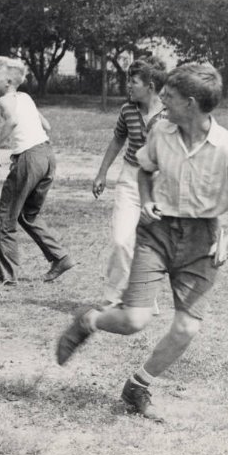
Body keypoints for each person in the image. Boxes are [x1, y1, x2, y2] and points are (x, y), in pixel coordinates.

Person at [56, 63, 228, 421]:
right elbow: (144, 170)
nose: (162, 99)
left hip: (201, 241)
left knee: (186, 327)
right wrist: (147, 198)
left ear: (191, 103)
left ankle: (138, 386)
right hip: (157, 232)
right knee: (133, 320)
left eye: (170, 95)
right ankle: (89, 320)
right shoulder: (161, 132)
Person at [0, 56, 74, 285]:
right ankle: (60, 258)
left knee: (5, 218)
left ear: (8, 82)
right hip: (47, 156)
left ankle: (7, 277)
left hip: (29, 158)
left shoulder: (4, 99)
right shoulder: (25, 97)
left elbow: (12, 121)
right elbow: (47, 125)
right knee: (27, 214)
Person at [91, 57, 167, 307]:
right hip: (130, 179)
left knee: (149, 245)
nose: (128, 86)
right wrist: (102, 173)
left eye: (133, 82)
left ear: (150, 86)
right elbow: (117, 140)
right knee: (121, 240)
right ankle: (113, 297)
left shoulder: (170, 113)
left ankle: (143, 298)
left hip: (159, 185)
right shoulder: (127, 110)